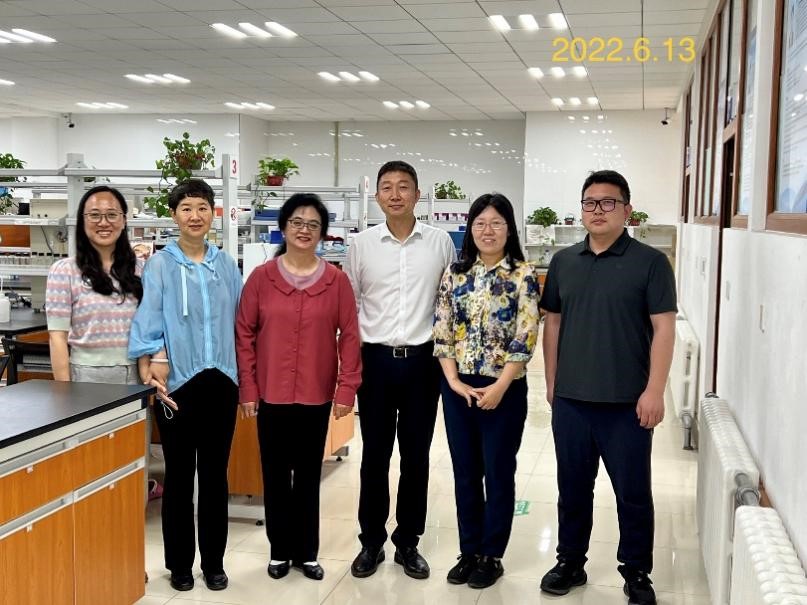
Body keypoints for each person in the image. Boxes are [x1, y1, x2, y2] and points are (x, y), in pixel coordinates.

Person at [539, 170, 676, 605]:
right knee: (572, 489)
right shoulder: (564, 262)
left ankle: (636, 571)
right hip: (572, 401)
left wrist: (655, 391)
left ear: (627, 210)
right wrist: (552, 382)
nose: (597, 210)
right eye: (589, 203)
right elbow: (553, 323)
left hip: (627, 403)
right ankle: (570, 561)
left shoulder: (650, 263)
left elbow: (664, 328)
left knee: (632, 494)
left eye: (608, 202)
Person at [235, 193, 361, 582]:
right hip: (270, 393)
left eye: (313, 224)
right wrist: (248, 388)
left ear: (322, 233)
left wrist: (346, 389)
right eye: (297, 222)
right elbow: (244, 333)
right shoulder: (261, 278)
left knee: (307, 475)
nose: (304, 230)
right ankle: (279, 550)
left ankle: (307, 552)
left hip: (315, 393)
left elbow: (350, 337)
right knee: (274, 474)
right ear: (284, 227)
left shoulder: (336, 281)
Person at [128, 179, 242, 593]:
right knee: (179, 476)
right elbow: (148, 319)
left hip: (222, 381)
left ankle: (214, 563)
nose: (195, 216)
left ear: (213, 213)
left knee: (215, 476)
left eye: (202, 208)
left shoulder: (226, 265)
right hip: (176, 382)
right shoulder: (160, 265)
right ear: (174, 215)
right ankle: (179, 564)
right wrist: (152, 358)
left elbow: (241, 321)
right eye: (187, 208)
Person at [345, 160, 455, 580]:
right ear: (376, 196)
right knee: (374, 456)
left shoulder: (440, 242)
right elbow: (351, 305)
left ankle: (408, 542)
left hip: (423, 364)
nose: (395, 194)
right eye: (387, 187)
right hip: (374, 363)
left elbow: (448, 304)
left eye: (403, 186)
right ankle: (371, 541)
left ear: (417, 194)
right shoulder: (361, 245)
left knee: (416, 456)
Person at [433, 193, 540, 589]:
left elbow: (525, 336)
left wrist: (500, 385)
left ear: (509, 229)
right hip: (459, 388)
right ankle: (469, 551)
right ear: (470, 229)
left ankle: (491, 555)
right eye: (480, 223)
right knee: (465, 472)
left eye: (496, 223)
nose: (487, 230)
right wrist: (453, 381)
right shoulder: (454, 273)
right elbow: (442, 331)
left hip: (504, 389)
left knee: (497, 472)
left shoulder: (523, 274)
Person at [46, 185, 142, 384]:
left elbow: (152, 328)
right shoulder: (64, 271)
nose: (104, 222)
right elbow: (57, 337)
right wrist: (64, 391)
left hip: (135, 374)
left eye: (112, 215)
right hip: (85, 375)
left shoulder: (142, 269)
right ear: (83, 221)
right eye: (95, 215)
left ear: (124, 220)